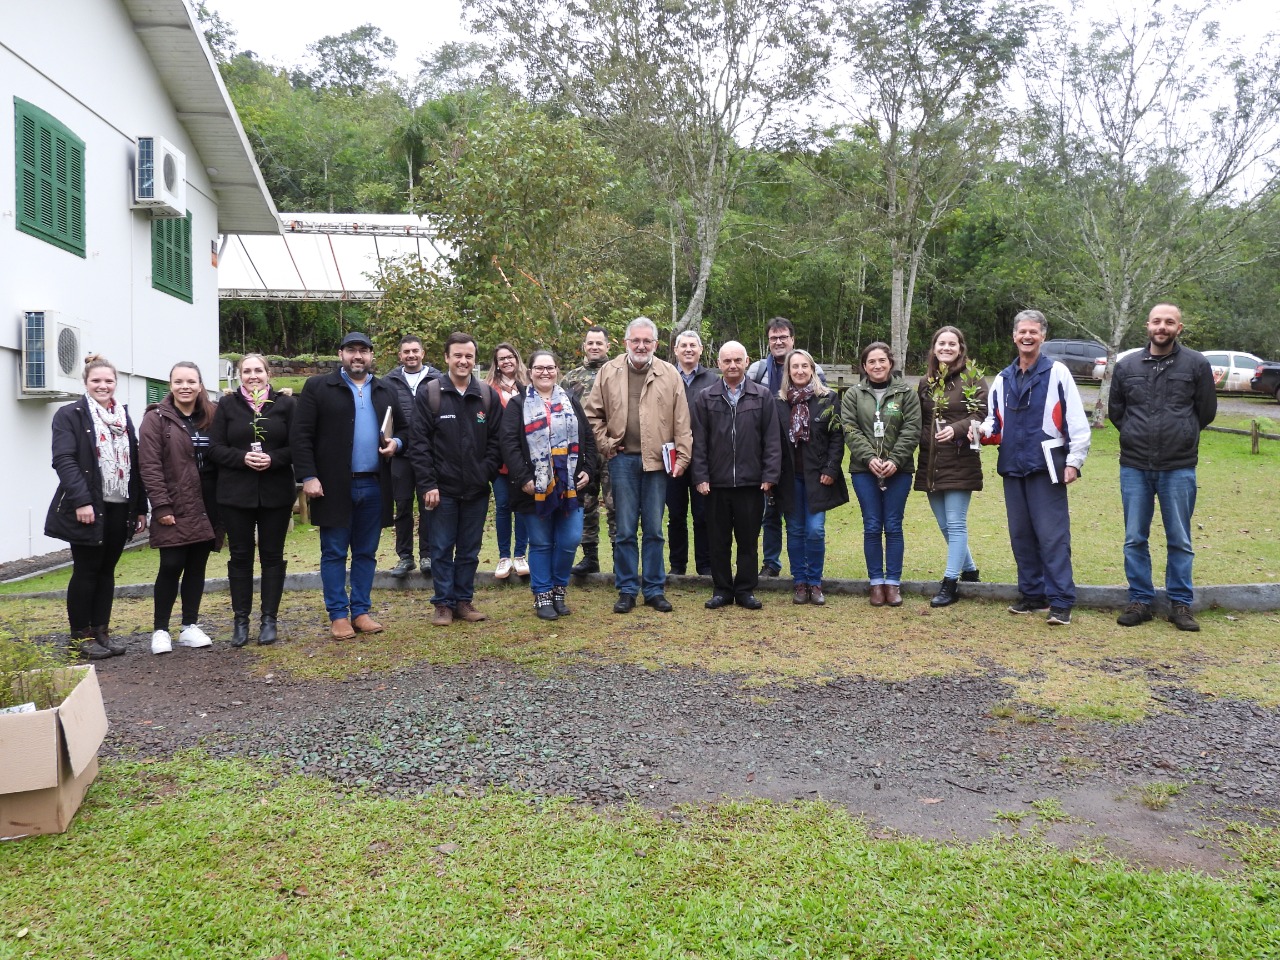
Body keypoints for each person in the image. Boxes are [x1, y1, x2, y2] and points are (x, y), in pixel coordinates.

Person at [1108, 302, 1217, 632]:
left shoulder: (1196, 364)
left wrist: (1181, 434)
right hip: (1135, 466)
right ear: (1147, 325)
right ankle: (1140, 600)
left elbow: (1206, 411)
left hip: (1178, 466)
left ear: (1178, 328)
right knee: (1134, 538)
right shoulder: (1127, 366)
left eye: (1169, 322)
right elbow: (1117, 411)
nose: (1162, 327)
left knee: (1180, 539)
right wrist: (1134, 433)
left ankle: (1180, 604)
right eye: (1157, 321)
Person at [979, 309, 1091, 626]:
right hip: (1013, 465)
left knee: (1052, 536)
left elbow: (1077, 423)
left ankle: (1060, 601)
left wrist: (1074, 461)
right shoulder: (1002, 378)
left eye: (1034, 331)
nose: (1027, 337)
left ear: (1043, 336)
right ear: (1014, 336)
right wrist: (980, 431)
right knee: (1021, 535)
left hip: (1047, 466)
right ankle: (1032, 595)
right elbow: (994, 420)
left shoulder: (1058, 373)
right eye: (1022, 331)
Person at [292, 331, 405, 641]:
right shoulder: (318, 387)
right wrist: (309, 477)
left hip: (374, 485)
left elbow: (404, 431)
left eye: (364, 351)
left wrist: (396, 442)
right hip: (332, 486)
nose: (358, 356)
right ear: (340, 354)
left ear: (371, 356)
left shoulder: (385, 390)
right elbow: (301, 436)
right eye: (352, 350)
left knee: (367, 553)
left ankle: (361, 611)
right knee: (333, 552)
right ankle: (338, 615)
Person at [583, 316, 692, 614]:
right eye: (636, 340)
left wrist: (682, 457)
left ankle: (654, 589)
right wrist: (606, 444)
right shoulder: (609, 371)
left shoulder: (669, 374)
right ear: (626, 342)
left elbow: (682, 420)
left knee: (655, 529)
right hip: (622, 462)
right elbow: (592, 415)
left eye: (647, 341)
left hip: (658, 463)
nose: (641, 346)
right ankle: (627, 589)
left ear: (656, 344)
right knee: (626, 530)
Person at [45, 355, 148, 660]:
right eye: (96, 381)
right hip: (89, 506)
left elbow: (136, 464)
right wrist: (82, 501)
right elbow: (64, 460)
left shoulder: (123, 417)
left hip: (120, 506)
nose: (103, 386)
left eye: (108, 381)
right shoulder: (70, 415)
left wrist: (140, 508)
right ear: (86, 383)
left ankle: (101, 632)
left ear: (115, 384)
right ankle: (80, 637)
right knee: (86, 570)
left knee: (107, 571)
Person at [410, 332, 504, 626]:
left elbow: (498, 441)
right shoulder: (431, 393)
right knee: (440, 548)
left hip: (476, 489)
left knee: (469, 549)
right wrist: (428, 484)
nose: (463, 361)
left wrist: (484, 472)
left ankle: (464, 601)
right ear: (447, 358)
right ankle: (443, 604)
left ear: (475, 360)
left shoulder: (486, 396)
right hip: (441, 490)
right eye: (458, 356)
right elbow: (419, 443)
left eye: (469, 356)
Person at [500, 349, 597, 620]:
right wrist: (524, 479)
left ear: (557, 371)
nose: (545, 372)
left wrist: (588, 470)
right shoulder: (518, 405)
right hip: (535, 488)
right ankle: (542, 594)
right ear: (530, 371)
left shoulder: (571, 401)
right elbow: (509, 444)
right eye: (539, 368)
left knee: (569, 540)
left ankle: (558, 589)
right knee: (541, 543)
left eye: (550, 367)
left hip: (569, 486)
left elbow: (587, 437)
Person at [210, 353, 296, 647]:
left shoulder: (285, 404)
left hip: (275, 492)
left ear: (268, 374)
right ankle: (241, 620)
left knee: (272, 556)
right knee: (241, 557)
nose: (253, 375)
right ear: (239, 375)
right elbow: (215, 448)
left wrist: (273, 459)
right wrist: (242, 457)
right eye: (246, 371)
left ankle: (269, 619)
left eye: (258, 370)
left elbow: (297, 446)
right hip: (236, 494)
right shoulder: (227, 404)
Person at [691, 340, 783, 610]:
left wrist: (769, 475)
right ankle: (721, 589)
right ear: (718, 364)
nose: (732, 365)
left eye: (737, 360)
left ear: (746, 362)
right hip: (715, 483)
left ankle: (745, 589)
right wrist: (701, 476)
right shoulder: (705, 397)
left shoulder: (762, 395)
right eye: (727, 361)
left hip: (751, 482)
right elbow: (699, 441)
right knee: (718, 540)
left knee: (748, 540)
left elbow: (772, 439)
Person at [138, 362, 223, 654]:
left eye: (191, 381)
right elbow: (149, 465)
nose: (184, 386)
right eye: (178, 381)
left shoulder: (213, 415)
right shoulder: (156, 418)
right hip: (175, 501)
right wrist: (160, 505)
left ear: (200, 385)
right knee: (171, 565)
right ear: (170, 385)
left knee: (197, 565)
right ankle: (161, 629)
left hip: (208, 502)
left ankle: (189, 626)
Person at [842, 342, 921, 607]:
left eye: (882, 361)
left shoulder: (906, 393)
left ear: (891, 363)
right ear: (864, 366)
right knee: (873, 525)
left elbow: (912, 428)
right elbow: (850, 429)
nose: (877, 366)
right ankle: (876, 583)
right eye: (871, 362)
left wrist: (895, 460)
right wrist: (869, 458)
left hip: (899, 471)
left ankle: (893, 582)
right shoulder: (853, 394)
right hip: (864, 471)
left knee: (894, 525)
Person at [915, 326, 988, 608]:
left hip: (960, 459)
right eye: (941, 343)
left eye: (952, 344)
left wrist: (957, 429)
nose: (946, 348)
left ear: (960, 348)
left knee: (956, 522)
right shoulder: (926, 382)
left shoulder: (972, 378)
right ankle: (970, 570)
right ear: (934, 348)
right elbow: (920, 420)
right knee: (944, 524)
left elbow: (982, 412)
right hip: (931, 461)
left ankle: (950, 582)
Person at [747, 317, 825, 578]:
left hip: (802, 457)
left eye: (783, 337)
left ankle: (803, 569)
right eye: (773, 338)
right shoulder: (758, 370)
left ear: (793, 339)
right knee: (770, 512)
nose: (779, 342)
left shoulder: (812, 369)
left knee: (803, 518)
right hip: (766, 452)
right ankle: (771, 563)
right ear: (768, 341)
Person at [777, 348, 848, 605]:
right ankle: (800, 582)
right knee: (795, 530)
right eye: (794, 367)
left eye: (804, 366)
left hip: (818, 477)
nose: (799, 371)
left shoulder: (827, 399)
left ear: (812, 369)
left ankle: (815, 582)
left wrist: (831, 469)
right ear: (788, 371)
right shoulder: (779, 402)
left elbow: (837, 438)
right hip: (789, 479)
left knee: (815, 530)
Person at [383, 335, 441, 578]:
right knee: (403, 505)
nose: (411, 355)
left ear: (423, 353)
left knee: (429, 505)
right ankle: (405, 557)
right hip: (401, 454)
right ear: (400, 355)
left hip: (430, 454)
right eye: (406, 351)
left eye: (415, 351)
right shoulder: (388, 382)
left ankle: (427, 555)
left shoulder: (437, 379)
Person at [561, 326, 616, 575]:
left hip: (613, 449)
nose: (594, 347)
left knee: (617, 505)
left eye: (599, 343)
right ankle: (590, 556)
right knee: (586, 504)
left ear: (608, 346)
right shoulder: (571, 378)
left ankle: (620, 558)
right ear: (584, 346)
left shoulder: (618, 373)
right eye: (590, 343)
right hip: (582, 453)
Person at [666, 330, 718, 576]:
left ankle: (705, 565)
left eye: (693, 345)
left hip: (702, 458)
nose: (688, 349)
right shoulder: (665, 376)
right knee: (676, 514)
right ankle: (677, 566)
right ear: (675, 350)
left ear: (700, 350)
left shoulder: (712, 379)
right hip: (672, 456)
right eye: (683, 345)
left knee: (703, 514)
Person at [484, 342, 530, 579]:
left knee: (523, 507)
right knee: (503, 505)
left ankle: (521, 554)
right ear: (496, 363)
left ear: (516, 358)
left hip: (524, 458)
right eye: (501, 358)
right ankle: (504, 556)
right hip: (500, 460)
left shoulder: (529, 385)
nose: (506, 361)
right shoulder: (488, 388)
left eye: (510, 356)